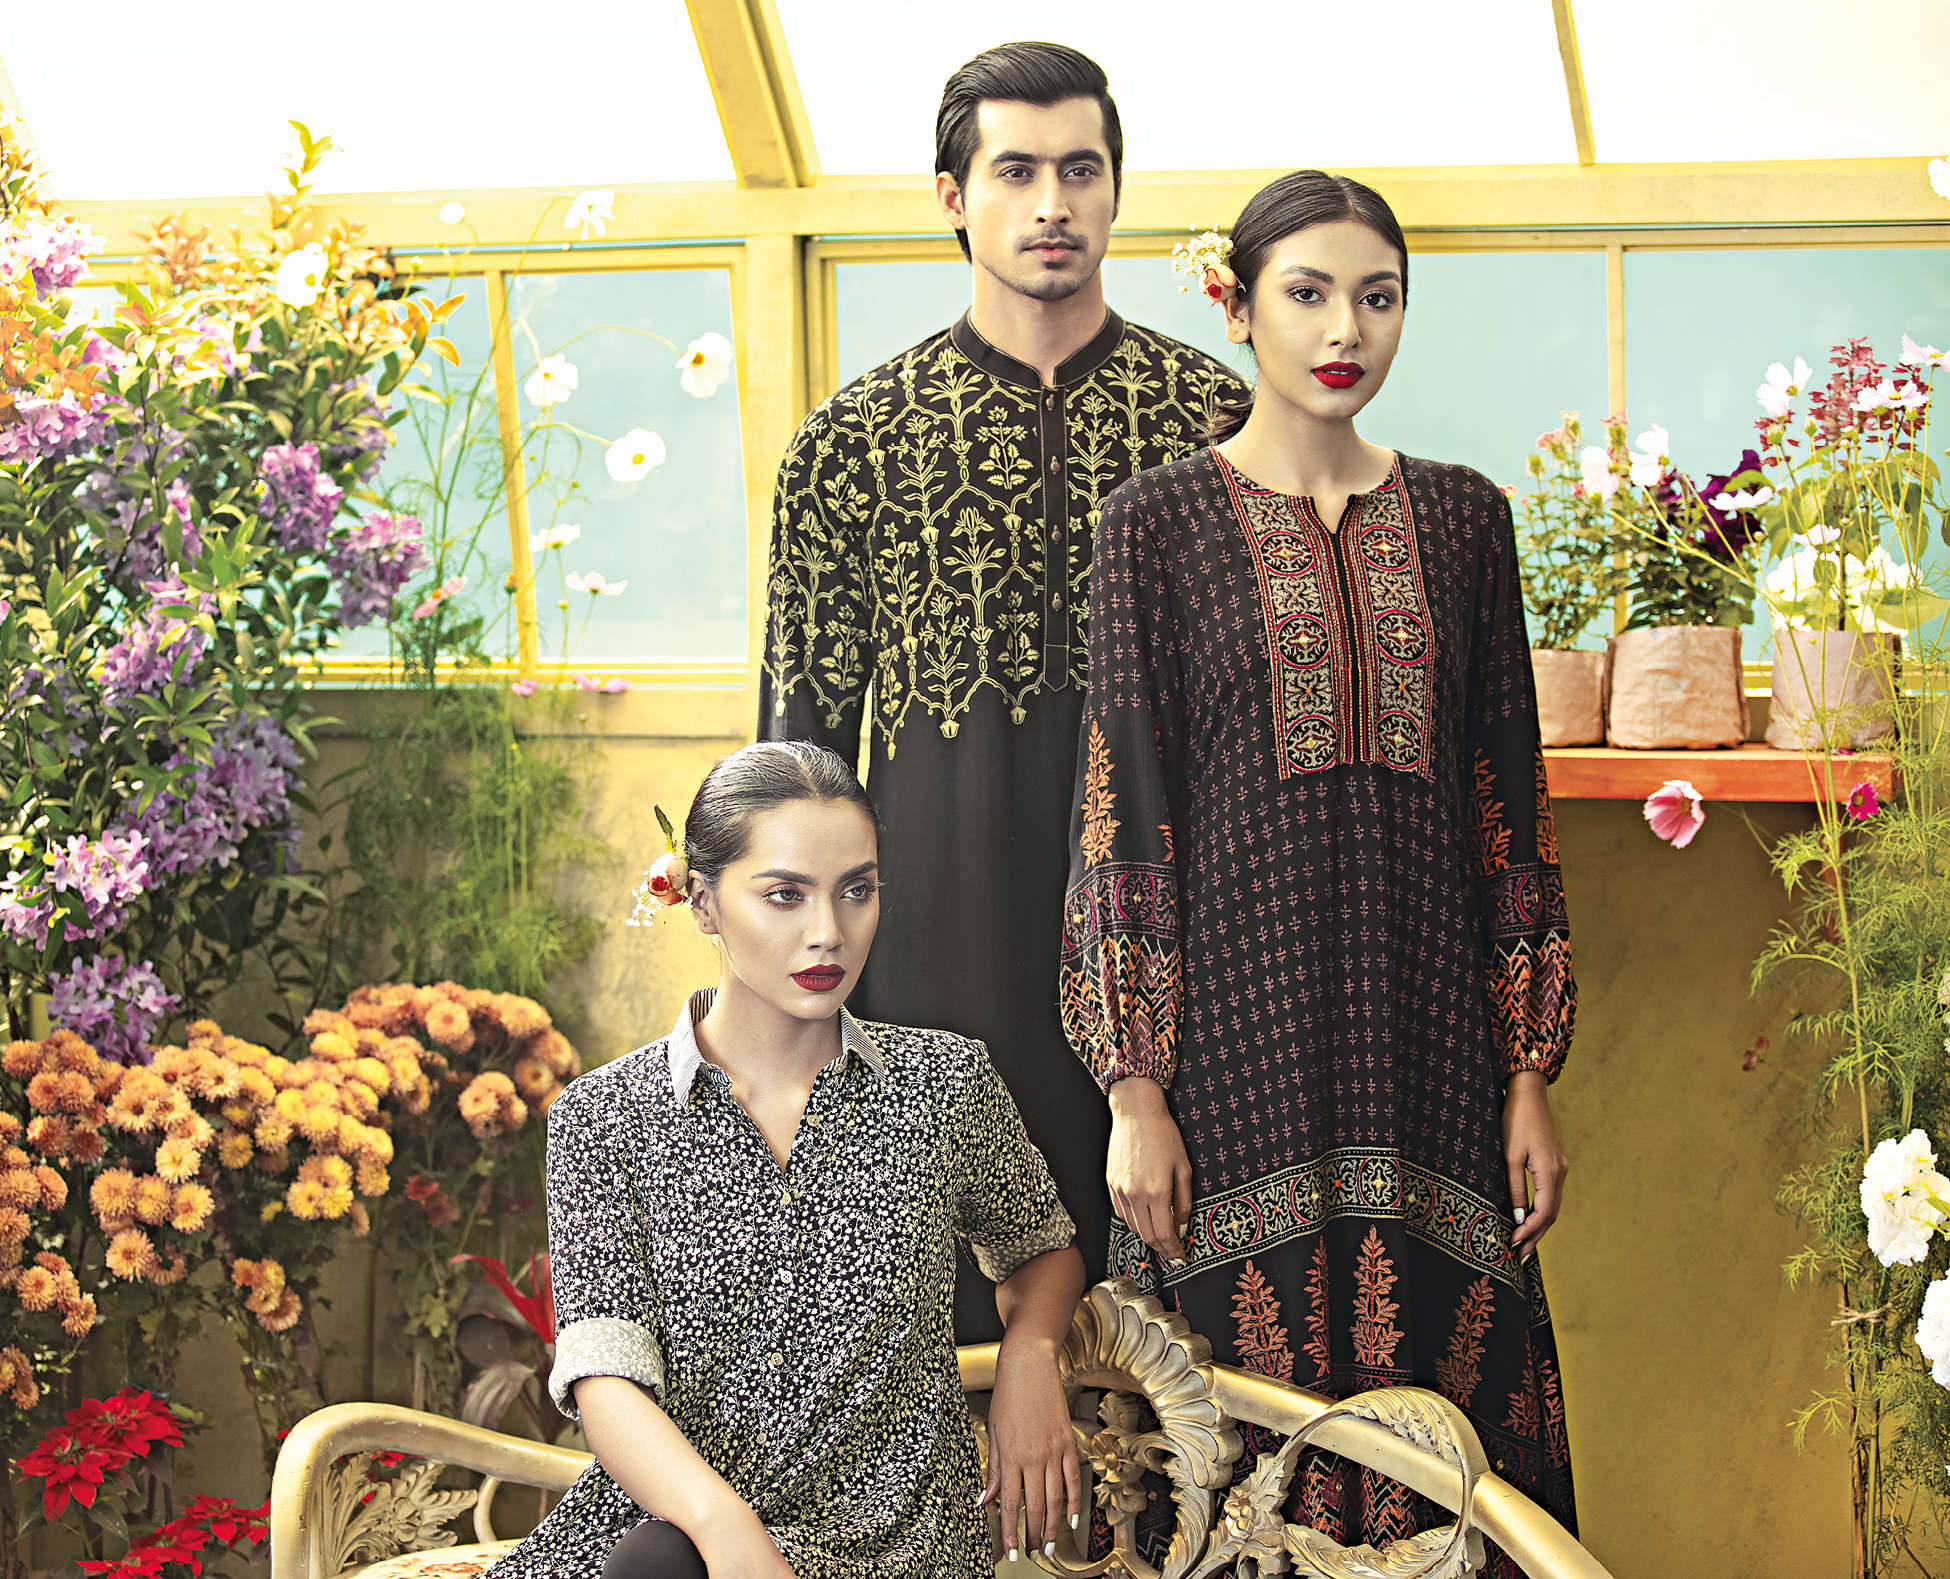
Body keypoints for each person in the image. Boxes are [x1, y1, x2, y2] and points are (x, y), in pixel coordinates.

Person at [1059, 171, 1578, 1567]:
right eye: (1307, 293)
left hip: (1432, 1059)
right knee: (1224, 1450)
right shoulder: (1154, 525)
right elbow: (1122, 814)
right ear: (1236, 308)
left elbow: (1507, 810)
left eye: (1378, 295)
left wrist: (1528, 1069)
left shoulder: (1464, 521)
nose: (1346, 328)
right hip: (1232, 1062)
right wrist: (1133, 1085)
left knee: (1449, 1446)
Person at [758, 41, 1250, 1344]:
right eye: (1016, 171)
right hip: (930, 967)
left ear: (1116, 190)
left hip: (1176, 973)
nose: (1051, 204)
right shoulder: (852, 443)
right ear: (952, 197)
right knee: (944, 1361)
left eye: (1080, 170)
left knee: (1182, 1373)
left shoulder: (1217, 425)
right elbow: (797, 759)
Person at [487, 741, 1086, 1579]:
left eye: (856, 890)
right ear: (703, 903)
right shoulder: (604, 1116)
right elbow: (606, 1379)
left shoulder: (946, 1083)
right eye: (785, 895)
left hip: (895, 1545)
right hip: (677, 1534)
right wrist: (724, 1527)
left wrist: (1030, 1353)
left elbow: (1041, 1248)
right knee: (658, 1561)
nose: (827, 933)